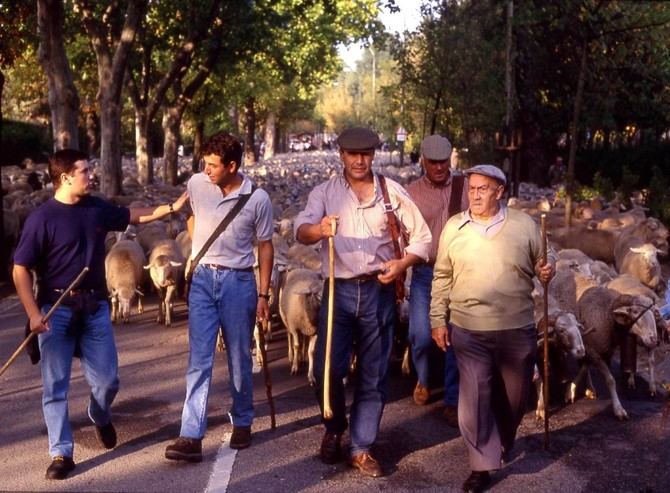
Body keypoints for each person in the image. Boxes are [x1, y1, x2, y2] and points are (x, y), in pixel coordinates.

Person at [12, 148, 189, 480]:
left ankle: (99, 413)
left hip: (94, 308)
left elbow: (133, 216)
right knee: (55, 387)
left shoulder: (96, 208)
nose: (91, 175)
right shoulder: (42, 219)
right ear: (65, 178)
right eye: (84, 171)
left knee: (108, 381)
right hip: (56, 311)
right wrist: (33, 313)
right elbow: (20, 269)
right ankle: (61, 453)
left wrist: (170, 208)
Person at [294, 127, 431, 478]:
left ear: (373, 155)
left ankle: (361, 446)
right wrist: (319, 230)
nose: (359, 160)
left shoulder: (392, 193)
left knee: (374, 374)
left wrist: (402, 264)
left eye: (366, 154)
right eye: (352, 154)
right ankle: (334, 425)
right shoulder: (325, 193)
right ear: (341, 155)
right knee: (329, 371)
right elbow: (301, 231)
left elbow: (424, 239)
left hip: (377, 292)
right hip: (337, 291)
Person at [429, 164, 555, 493]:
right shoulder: (455, 228)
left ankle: (503, 437)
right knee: (474, 397)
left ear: (500, 192)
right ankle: (481, 465)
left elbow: (546, 256)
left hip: (517, 327)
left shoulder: (525, 225)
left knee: (513, 400)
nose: (474, 195)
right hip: (468, 327)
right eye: (471, 188)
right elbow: (442, 276)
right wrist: (437, 318)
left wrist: (547, 268)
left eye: (482, 189)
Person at [165, 131, 273, 462]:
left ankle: (242, 420)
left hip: (238, 281)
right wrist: (199, 251)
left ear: (231, 165)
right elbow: (192, 214)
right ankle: (190, 433)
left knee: (240, 355)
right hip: (202, 279)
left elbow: (266, 246)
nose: (206, 170)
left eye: (212, 165)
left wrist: (264, 294)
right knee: (199, 358)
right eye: (204, 163)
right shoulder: (198, 183)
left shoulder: (257, 199)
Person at [405, 135, 468, 427]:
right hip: (425, 272)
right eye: (433, 162)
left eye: (444, 161)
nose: (440, 167)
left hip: (459, 272)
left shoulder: (465, 188)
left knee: (456, 334)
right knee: (420, 333)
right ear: (423, 162)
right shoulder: (410, 194)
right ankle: (425, 377)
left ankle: (453, 399)